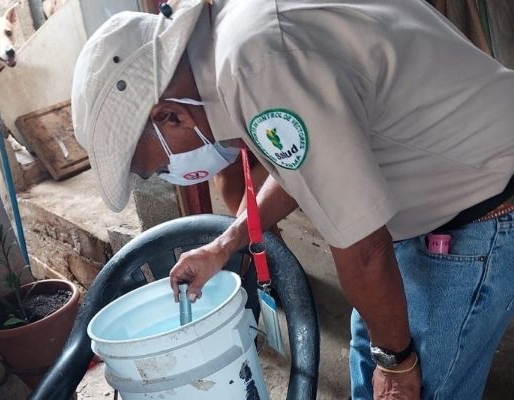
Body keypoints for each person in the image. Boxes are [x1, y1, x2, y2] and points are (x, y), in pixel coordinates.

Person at [71, 0, 514, 398]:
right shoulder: (234, 45)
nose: (170, 173)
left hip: (477, 202)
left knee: (415, 384)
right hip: (421, 202)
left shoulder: (255, 67)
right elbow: (309, 161)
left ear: (171, 114)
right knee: (377, 349)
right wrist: (225, 244)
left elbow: (363, 251)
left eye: (158, 166)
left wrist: (398, 365)